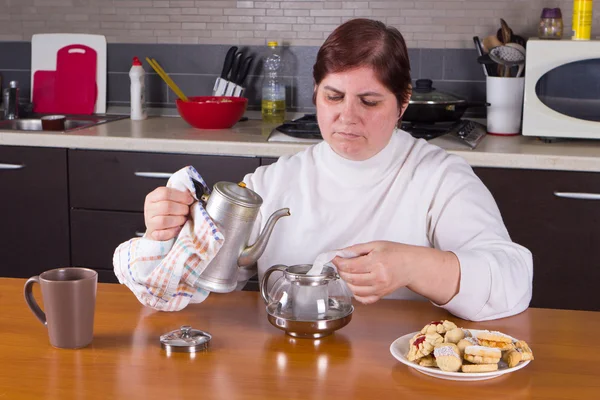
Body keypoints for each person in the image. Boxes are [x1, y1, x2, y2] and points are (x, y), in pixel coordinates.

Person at [143, 19, 533, 322]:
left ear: (403, 102)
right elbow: (190, 280)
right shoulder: (274, 181)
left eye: (369, 101)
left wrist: (413, 265)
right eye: (334, 97)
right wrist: (166, 234)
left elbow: (512, 283)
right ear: (316, 92)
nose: (347, 117)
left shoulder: (439, 178)